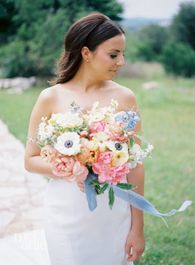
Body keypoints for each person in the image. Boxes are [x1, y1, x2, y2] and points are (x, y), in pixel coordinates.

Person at [24, 12, 145, 265]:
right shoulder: (50, 97)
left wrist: (137, 228)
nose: (121, 62)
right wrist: (72, 168)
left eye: (123, 54)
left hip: (113, 214)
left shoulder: (126, 98)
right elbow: (31, 160)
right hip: (66, 213)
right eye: (113, 55)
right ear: (86, 53)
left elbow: (135, 165)